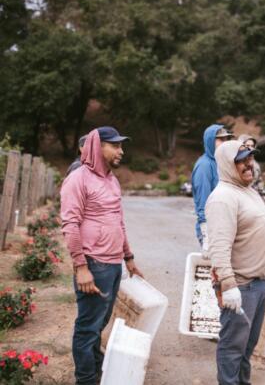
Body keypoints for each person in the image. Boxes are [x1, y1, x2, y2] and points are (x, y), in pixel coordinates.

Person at [60, 126, 144, 385]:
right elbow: (70, 224)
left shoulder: (111, 180)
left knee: (98, 324)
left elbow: (119, 221)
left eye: (121, 145)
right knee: (87, 328)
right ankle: (85, 379)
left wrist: (128, 257)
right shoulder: (78, 178)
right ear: (99, 146)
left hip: (113, 264)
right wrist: (80, 267)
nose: (121, 151)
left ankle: (96, 373)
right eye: (115, 145)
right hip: (93, 265)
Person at [206, 141, 265, 385]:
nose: (249, 164)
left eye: (251, 158)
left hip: (258, 284)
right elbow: (219, 246)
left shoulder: (246, 189)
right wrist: (228, 283)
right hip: (240, 286)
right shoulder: (223, 198)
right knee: (232, 347)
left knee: (247, 346)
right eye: (242, 160)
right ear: (228, 164)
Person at [192, 125, 234, 252]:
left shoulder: (221, 162)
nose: (224, 143)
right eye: (220, 139)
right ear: (210, 141)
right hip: (212, 230)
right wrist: (206, 235)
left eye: (226, 139)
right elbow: (202, 202)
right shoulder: (204, 166)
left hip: (224, 227)